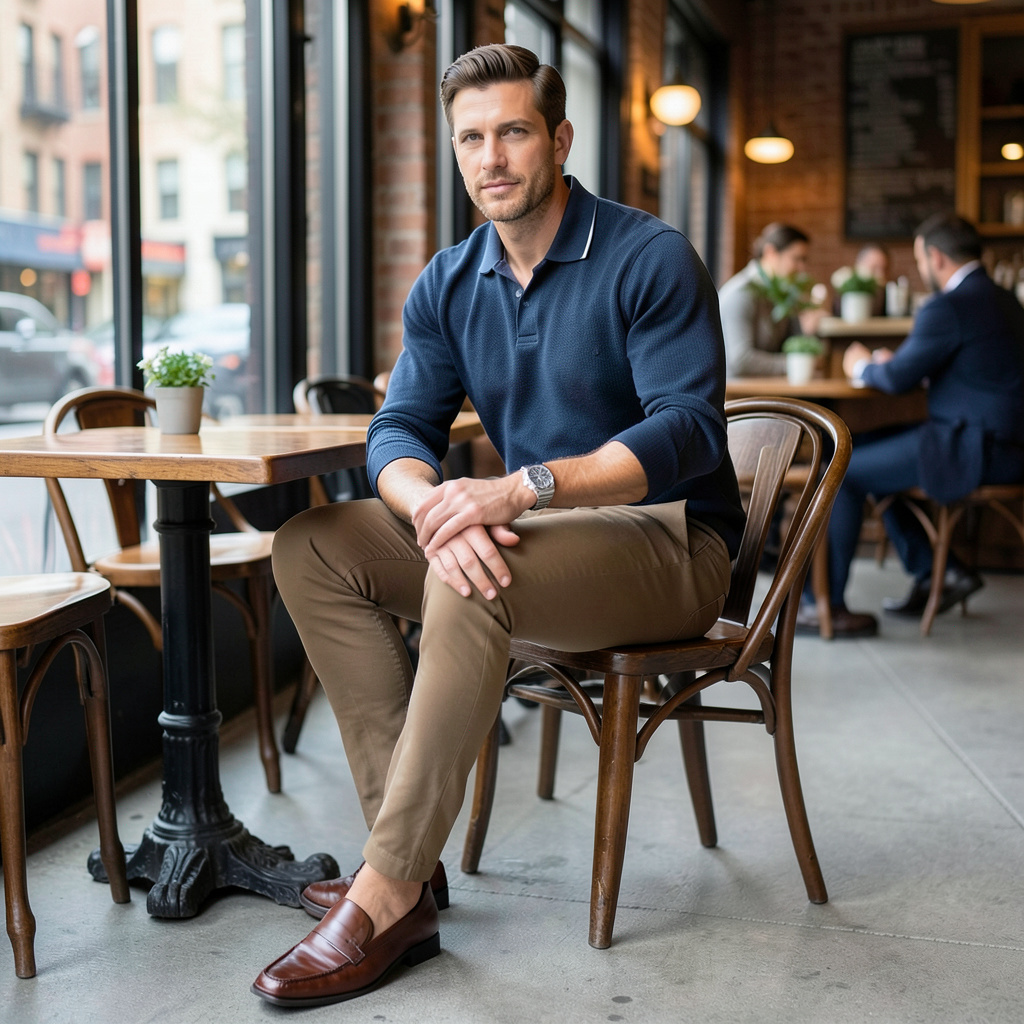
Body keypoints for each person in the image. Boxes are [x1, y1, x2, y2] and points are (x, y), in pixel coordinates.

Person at [250, 43, 745, 1007]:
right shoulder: (449, 278)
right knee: (313, 546)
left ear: (558, 138)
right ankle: (414, 861)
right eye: (471, 138)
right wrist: (429, 504)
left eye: (513, 132)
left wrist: (518, 491)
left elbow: (688, 429)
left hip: (671, 542)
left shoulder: (647, 256)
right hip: (538, 538)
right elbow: (400, 426)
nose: (493, 158)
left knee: (473, 573)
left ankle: (385, 892)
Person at [796, 212, 1024, 637]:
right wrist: (899, 366)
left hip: (975, 446)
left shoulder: (950, 304)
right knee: (859, 445)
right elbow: (975, 369)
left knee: (840, 467)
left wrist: (863, 364)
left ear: (935, 258)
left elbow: (898, 379)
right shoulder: (1004, 298)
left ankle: (820, 606)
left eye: (920, 262)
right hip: (1001, 443)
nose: (921, 271)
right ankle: (939, 572)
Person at [718, 222, 824, 377]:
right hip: (740, 397)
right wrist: (795, 364)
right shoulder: (741, 293)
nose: (802, 268)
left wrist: (809, 331)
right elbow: (741, 360)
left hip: (770, 390)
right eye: (796, 259)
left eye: (804, 260)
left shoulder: (784, 291)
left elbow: (793, 345)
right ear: (770, 252)